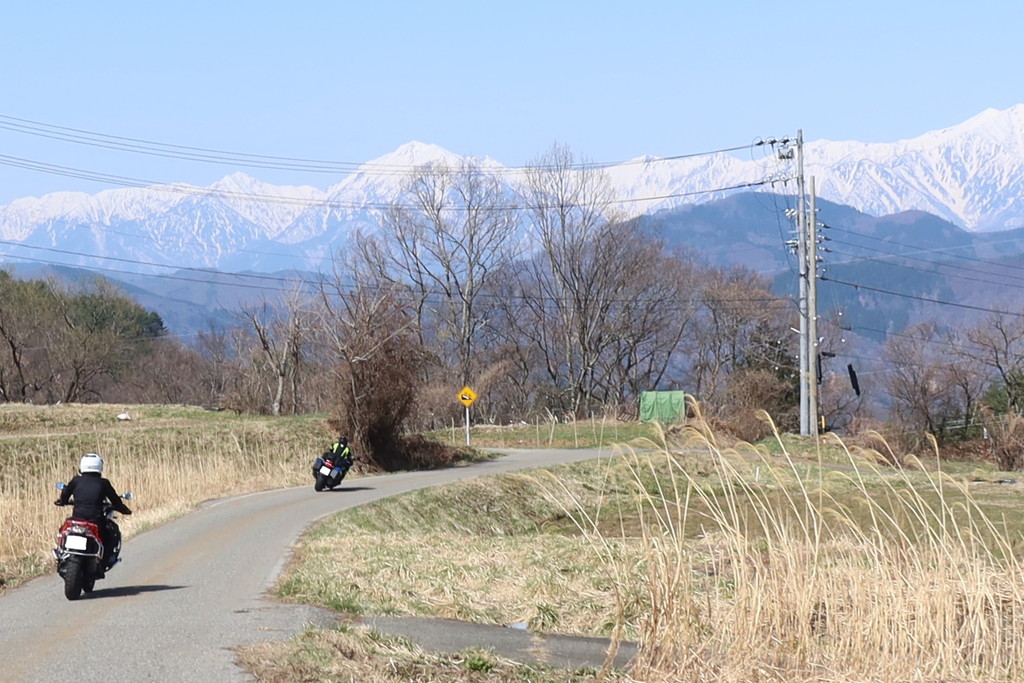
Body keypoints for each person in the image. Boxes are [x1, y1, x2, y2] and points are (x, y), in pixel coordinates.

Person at [55, 453, 132, 571]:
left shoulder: (76, 481)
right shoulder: (103, 483)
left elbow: (65, 495)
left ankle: (61, 553)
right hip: (95, 521)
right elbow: (115, 500)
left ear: (82, 466)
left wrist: (62, 501)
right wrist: (124, 509)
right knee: (112, 534)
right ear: (100, 466)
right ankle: (104, 562)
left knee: (63, 530)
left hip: (77, 520)